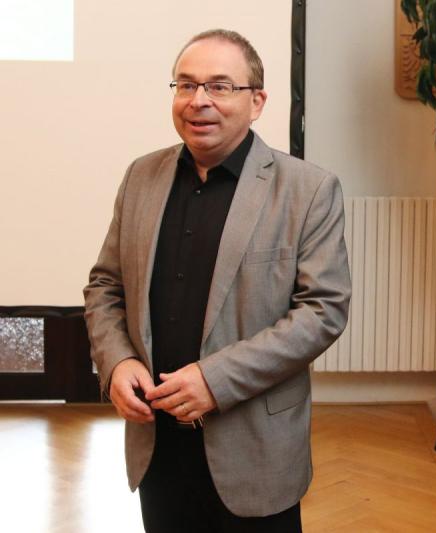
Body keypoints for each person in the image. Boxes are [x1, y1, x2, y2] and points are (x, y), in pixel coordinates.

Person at [84, 29, 350, 533]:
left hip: (255, 450)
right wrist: (117, 362)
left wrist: (215, 380)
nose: (199, 100)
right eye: (186, 85)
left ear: (257, 102)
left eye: (220, 86)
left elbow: (323, 311)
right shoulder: (141, 177)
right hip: (157, 441)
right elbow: (105, 285)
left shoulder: (308, 189)